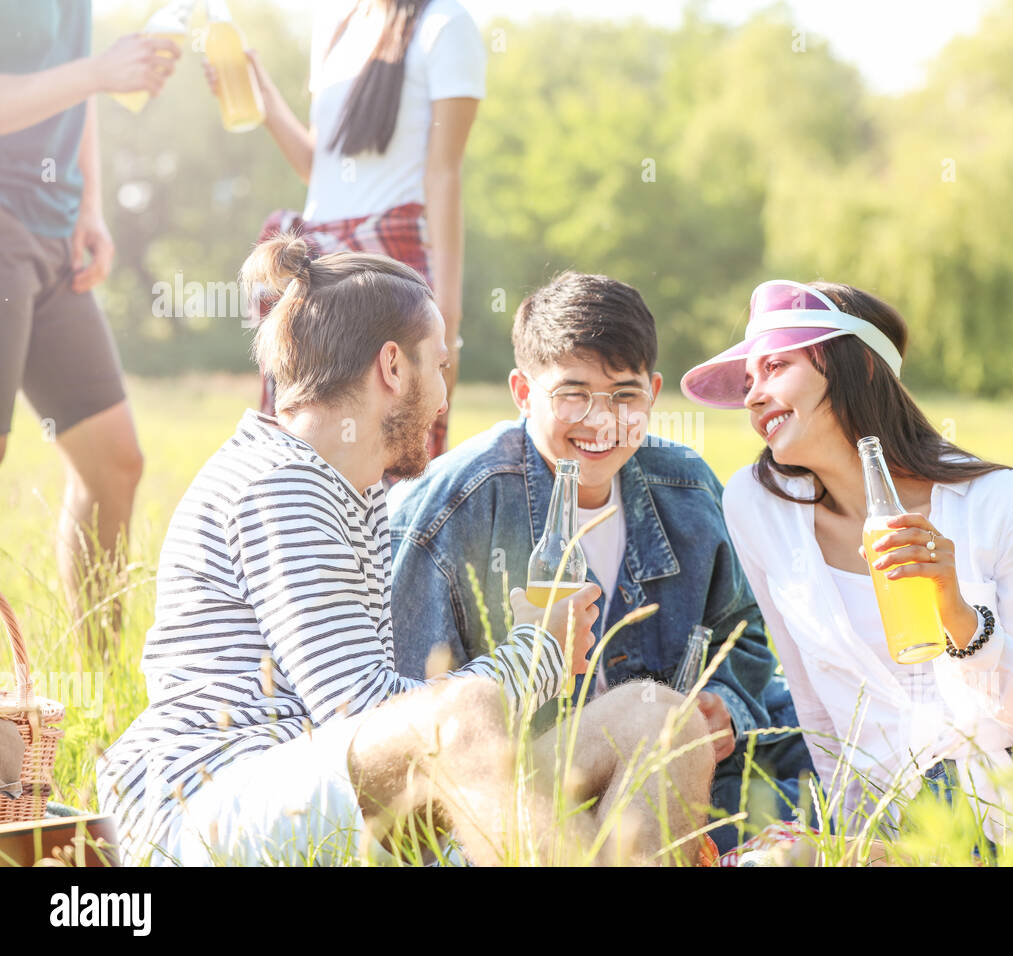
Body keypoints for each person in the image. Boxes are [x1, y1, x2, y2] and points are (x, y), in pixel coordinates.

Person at [96, 238, 714, 866]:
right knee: (463, 711)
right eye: (439, 367)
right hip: (207, 808)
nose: (446, 401)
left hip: (331, 803)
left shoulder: (352, 491)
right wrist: (541, 652)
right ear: (393, 367)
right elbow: (368, 713)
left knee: (660, 718)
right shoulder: (278, 483)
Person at [681, 279, 1013, 861]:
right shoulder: (758, 505)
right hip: (917, 833)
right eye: (748, 381)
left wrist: (962, 624)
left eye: (776, 366)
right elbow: (817, 708)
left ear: (862, 368)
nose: (753, 396)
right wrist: (856, 840)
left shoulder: (1002, 501)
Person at [388, 270, 816, 854]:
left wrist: (725, 710)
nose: (600, 419)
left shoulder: (686, 488)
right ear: (522, 391)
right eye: (572, 393)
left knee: (836, 748)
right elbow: (411, 713)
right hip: (519, 791)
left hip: (673, 776)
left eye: (624, 395)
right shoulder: (452, 507)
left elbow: (742, 635)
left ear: (653, 393)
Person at [205, 0, 483, 459]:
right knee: (306, 431)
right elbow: (319, 165)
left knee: (390, 440)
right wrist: (261, 96)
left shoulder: (445, 25)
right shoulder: (336, 23)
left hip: (392, 260)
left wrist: (447, 314)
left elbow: (444, 173)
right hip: (324, 263)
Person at [0, 5, 181, 632]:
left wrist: (91, 207)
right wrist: (100, 70)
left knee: (113, 463)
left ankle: (96, 691)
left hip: (54, 231)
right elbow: (83, 78)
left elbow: (81, 96)